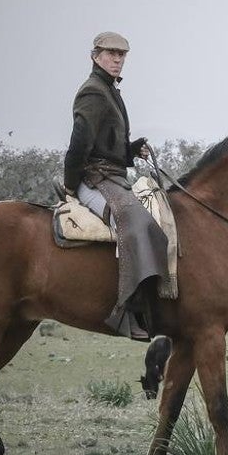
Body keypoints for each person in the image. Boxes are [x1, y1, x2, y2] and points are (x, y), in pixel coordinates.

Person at [63, 31, 167, 341]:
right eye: (110, 53)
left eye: (121, 55)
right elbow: (79, 144)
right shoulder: (93, 92)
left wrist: (133, 149)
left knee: (152, 218)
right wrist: (70, 187)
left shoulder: (110, 91)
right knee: (134, 223)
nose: (117, 59)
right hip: (94, 179)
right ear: (95, 56)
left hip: (114, 177)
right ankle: (126, 309)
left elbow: (106, 144)